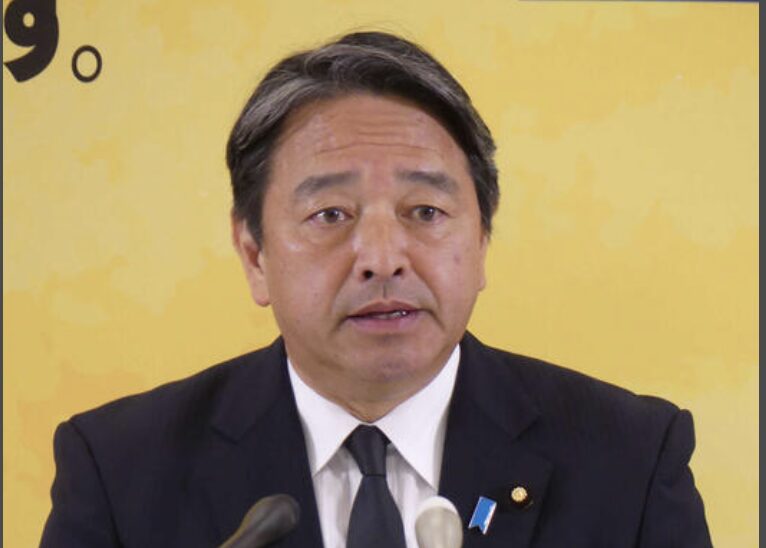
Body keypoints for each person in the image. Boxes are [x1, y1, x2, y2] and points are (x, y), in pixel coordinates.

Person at [40, 31, 712, 548]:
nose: (383, 259)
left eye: (426, 211)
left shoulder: (629, 460)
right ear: (254, 254)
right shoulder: (120, 472)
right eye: (331, 214)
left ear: (481, 241)